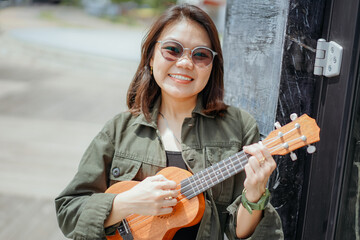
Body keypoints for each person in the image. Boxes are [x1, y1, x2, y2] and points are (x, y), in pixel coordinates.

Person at [55, 4, 283, 240]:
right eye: (172, 50)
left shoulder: (239, 127)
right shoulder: (118, 130)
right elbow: (68, 210)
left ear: (212, 66)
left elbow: (239, 232)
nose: (185, 63)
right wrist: (126, 203)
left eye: (200, 55)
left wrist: (255, 194)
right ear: (151, 57)